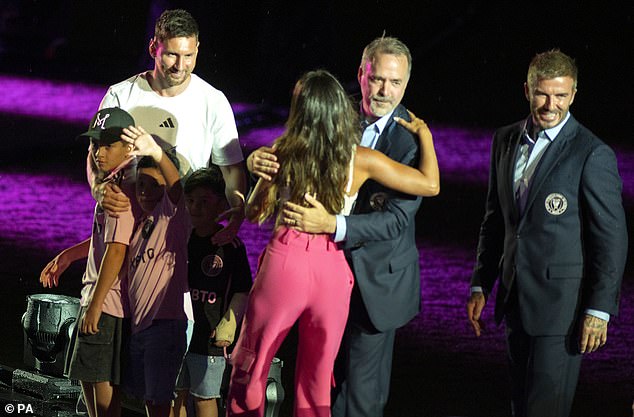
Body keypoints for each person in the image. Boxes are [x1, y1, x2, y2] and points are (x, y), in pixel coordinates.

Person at [226, 69, 439, 417]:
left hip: (287, 263)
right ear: (340, 110)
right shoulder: (361, 159)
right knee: (317, 378)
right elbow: (430, 185)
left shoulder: (282, 151)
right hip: (332, 270)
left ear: (300, 110)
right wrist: (425, 136)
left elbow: (253, 213)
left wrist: (258, 171)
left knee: (254, 361)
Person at [466, 49, 627, 417]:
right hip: (515, 300)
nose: (550, 104)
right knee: (521, 407)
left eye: (560, 95)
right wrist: (481, 283)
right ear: (527, 89)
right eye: (542, 93)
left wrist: (600, 309)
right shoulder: (504, 141)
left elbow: (611, 238)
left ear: (573, 94)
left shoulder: (591, 153)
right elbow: (496, 220)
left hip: (561, 310)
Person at [95, 8, 246, 245]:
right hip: (125, 228)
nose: (180, 65)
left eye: (188, 56)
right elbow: (95, 153)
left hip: (182, 232)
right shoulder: (121, 95)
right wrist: (98, 188)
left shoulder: (213, 101)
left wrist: (238, 210)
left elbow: (231, 169)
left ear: (198, 49)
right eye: (172, 55)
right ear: (153, 48)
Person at [40, 107, 137, 417]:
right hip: (95, 296)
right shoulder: (111, 183)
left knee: (104, 395)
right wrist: (69, 255)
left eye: (109, 145)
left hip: (107, 303)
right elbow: (103, 240)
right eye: (96, 144)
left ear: (129, 147)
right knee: (88, 385)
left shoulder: (124, 188)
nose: (99, 152)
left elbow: (118, 249)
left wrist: (96, 304)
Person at [120, 126, 190, 417]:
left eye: (154, 186)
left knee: (159, 401)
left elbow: (177, 189)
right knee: (151, 401)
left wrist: (157, 153)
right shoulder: (139, 225)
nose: (146, 192)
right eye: (141, 185)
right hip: (140, 327)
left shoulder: (170, 219)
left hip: (164, 325)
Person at [172, 167, 253, 417]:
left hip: (209, 339)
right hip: (177, 333)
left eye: (204, 201)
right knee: (176, 397)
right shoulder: (180, 238)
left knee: (205, 399)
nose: (196, 207)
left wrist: (229, 324)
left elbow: (242, 289)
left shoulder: (230, 246)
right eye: (191, 201)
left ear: (221, 205)